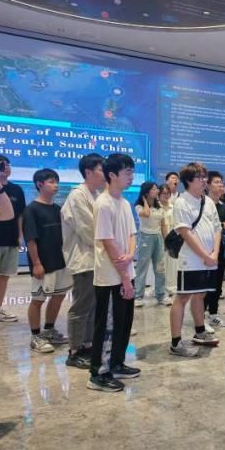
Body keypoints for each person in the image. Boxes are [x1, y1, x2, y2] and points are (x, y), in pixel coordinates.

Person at [88, 153, 140, 393]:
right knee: (107, 326)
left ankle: (116, 363)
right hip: (110, 277)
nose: (131, 177)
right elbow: (109, 244)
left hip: (126, 272)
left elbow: (131, 235)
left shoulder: (125, 203)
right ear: (112, 175)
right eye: (127, 172)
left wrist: (130, 255)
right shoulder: (103, 204)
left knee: (123, 322)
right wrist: (124, 278)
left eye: (132, 172)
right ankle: (98, 374)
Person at [169, 162, 221, 357]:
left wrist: (214, 253)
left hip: (209, 259)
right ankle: (176, 342)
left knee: (200, 294)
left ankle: (200, 332)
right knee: (183, 297)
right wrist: (205, 256)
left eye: (204, 177)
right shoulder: (182, 202)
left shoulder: (208, 202)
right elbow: (186, 233)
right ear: (189, 181)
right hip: (190, 260)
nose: (204, 181)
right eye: (199, 177)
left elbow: (217, 228)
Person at [62, 153, 106, 368]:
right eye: (101, 169)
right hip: (84, 260)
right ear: (88, 172)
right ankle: (74, 351)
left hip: (96, 259)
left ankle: (87, 345)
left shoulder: (96, 194)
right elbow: (89, 230)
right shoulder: (77, 196)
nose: (105, 174)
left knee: (93, 306)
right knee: (81, 307)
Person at [23, 169, 72, 353]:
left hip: (60, 262)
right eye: (51, 182)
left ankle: (49, 331)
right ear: (39, 184)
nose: (55, 185)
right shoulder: (31, 210)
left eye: (56, 181)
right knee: (38, 299)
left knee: (59, 296)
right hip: (43, 264)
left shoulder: (57, 209)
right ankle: (35, 337)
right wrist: (36, 263)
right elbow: (31, 239)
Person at [0, 155, 25, 323]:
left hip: (10, 238)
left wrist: (19, 236)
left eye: (8, 164)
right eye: (2, 165)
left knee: (5, 275)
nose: (6, 167)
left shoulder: (16, 190)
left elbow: (19, 215)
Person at [203, 171, 225, 328]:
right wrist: (220, 226)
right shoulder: (203, 204)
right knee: (204, 285)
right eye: (216, 182)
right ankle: (201, 317)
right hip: (205, 250)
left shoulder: (222, 206)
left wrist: (218, 225)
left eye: (221, 182)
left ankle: (213, 314)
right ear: (207, 185)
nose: (220, 185)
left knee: (217, 284)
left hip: (219, 249)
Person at [134, 182, 167, 306]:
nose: (157, 190)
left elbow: (163, 224)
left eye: (157, 188)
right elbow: (146, 214)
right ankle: (138, 296)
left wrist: (166, 240)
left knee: (160, 268)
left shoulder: (159, 206)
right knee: (142, 267)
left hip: (158, 237)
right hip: (145, 237)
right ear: (146, 192)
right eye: (154, 189)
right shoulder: (139, 206)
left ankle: (161, 295)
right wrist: (144, 200)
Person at [159, 183, 176, 305]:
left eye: (168, 193)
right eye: (164, 193)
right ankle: (160, 287)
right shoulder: (156, 207)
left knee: (171, 263)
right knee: (160, 263)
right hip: (159, 237)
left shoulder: (172, 207)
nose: (166, 195)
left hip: (171, 236)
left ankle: (171, 286)